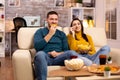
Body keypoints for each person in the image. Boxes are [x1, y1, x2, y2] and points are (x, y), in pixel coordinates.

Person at [33, 11, 92, 80]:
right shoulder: (40, 32)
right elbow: (37, 47)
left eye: (56, 19)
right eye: (51, 19)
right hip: (46, 57)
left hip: (59, 58)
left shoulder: (61, 34)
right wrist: (50, 34)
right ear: (47, 20)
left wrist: (58, 54)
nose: (54, 21)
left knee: (71, 52)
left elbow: (66, 50)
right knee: (40, 54)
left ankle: (91, 65)